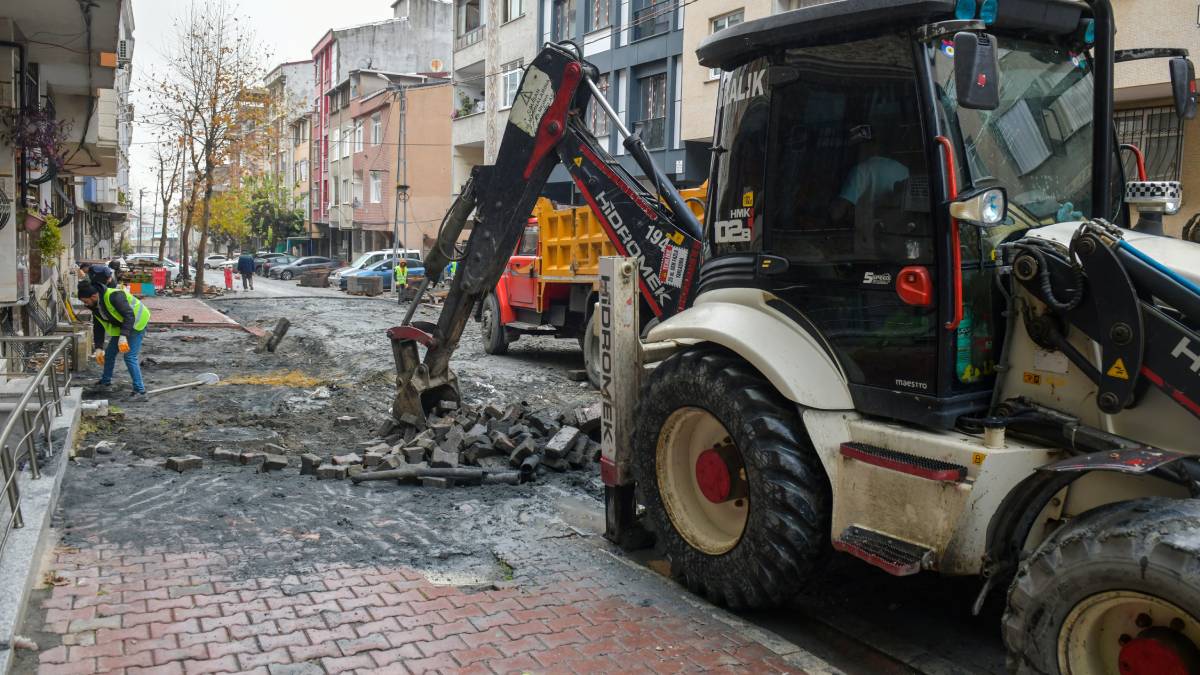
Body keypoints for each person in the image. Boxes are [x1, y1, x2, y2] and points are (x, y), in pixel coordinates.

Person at [78, 280, 151, 401]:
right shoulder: (95, 305)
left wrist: (123, 336)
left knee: (130, 356)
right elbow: (99, 325)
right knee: (110, 353)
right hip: (123, 325)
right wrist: (99, 347)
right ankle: (105, 383)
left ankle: (140, 391)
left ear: (94, 296)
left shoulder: (114, 296)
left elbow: (129, 316)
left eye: (85, 301)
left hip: (137, 322)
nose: (85, 304)